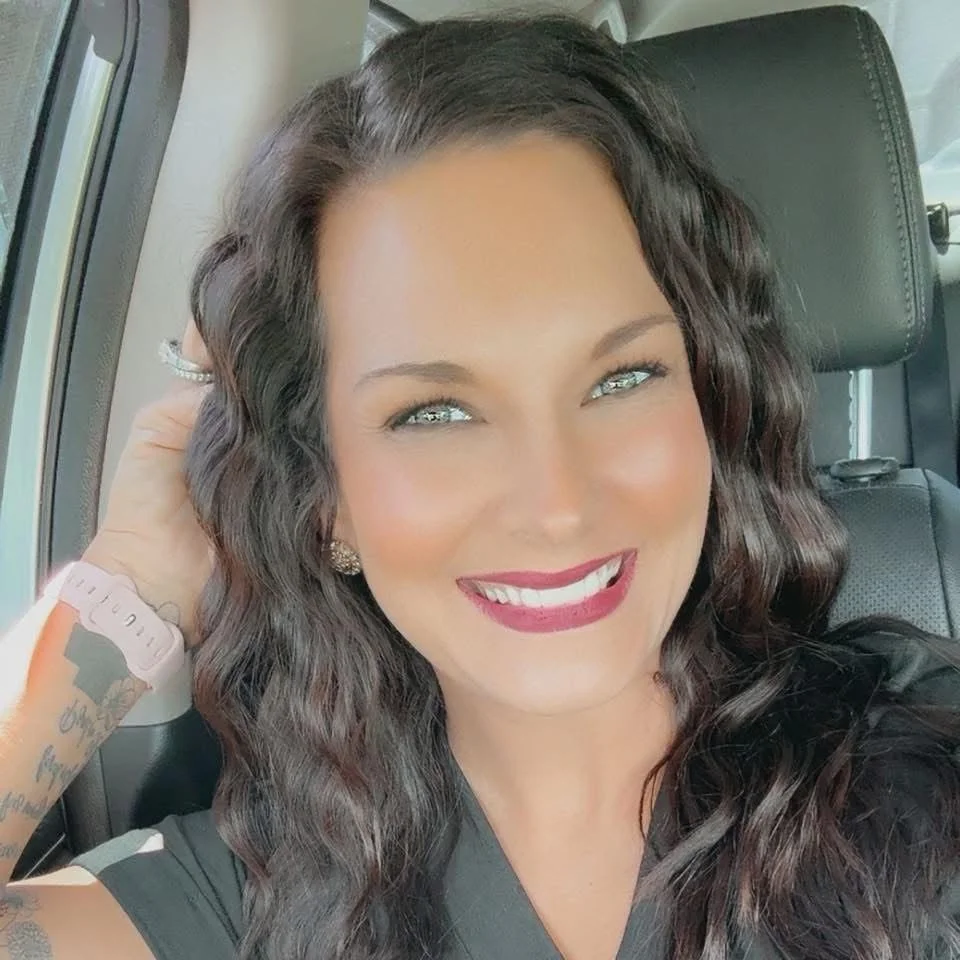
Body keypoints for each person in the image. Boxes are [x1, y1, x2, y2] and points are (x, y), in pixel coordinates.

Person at [1, 11, 959, 960]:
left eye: (622, 379)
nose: (556, 504)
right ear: (325, 499)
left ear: (707, 403)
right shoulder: (258, 898)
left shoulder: (920, 787)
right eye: (433, 414)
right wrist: (124, 587)